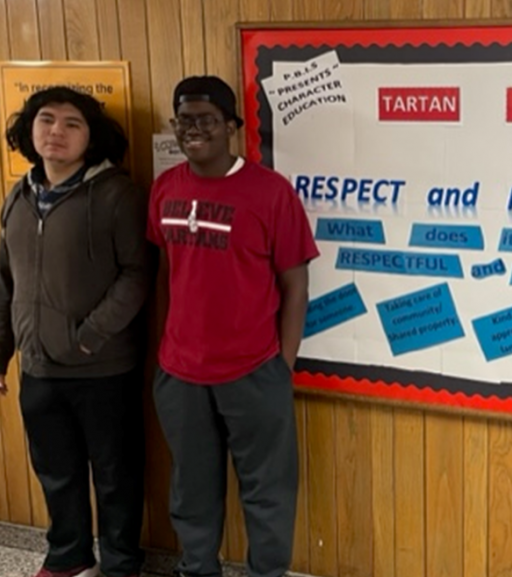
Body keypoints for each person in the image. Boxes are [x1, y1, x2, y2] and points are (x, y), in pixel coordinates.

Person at [147, 75, 319, 577]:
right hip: (180, 375)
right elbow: (165, 275)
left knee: (268, 489)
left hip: (254, 371)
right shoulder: (165, 188)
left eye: (204, 119)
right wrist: (168, 351)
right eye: (183, 120)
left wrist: (279, 368)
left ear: (231, 126)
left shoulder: (271, 193)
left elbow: (296, 287)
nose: (192, 129)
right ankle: (197, 568)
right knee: (191, 488)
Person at [0, 87, 148, 577]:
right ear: (29, 130)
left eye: (71, 123)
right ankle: (69, 557)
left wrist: (88, 336)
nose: (56, 131)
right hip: (38, 368)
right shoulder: (18, 196)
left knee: (116, 475)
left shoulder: (118, 194)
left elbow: (138, 274)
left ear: (90, 137)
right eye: (46, 120)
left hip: (102, 368)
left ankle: (120, 565)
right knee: (56, 472)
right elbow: (3, 282)